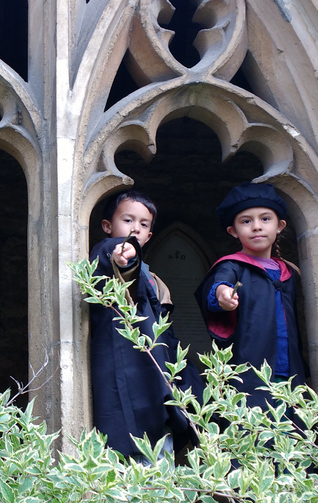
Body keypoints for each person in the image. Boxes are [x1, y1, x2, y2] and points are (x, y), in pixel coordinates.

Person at [89, 190, 201, 461]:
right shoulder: (107, 254)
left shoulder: (152, 277)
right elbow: (117, 259)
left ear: (150, 234)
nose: (135, 228)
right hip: (128, 371)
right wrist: (121, 257)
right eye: (128, 220)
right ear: (107, 226)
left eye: (143, 224)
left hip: (157, 373)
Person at [195, 182, 308, 410]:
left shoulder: (288, 272)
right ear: (233, 231)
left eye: (265, 219)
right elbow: (220, 286)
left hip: (290, 371)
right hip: (252, 371)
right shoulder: (233, 266)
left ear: (280, 225)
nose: (256, 226)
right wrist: (223, 296)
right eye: (246, 221)